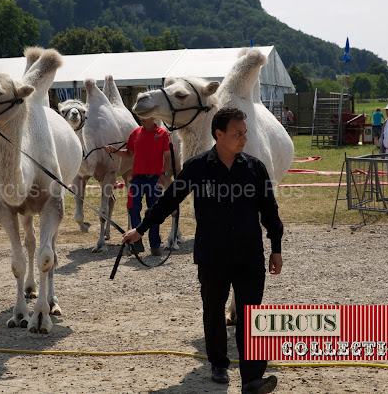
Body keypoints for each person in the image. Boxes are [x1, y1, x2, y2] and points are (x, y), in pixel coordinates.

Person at [122, 107, 283, 393]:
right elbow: (169, 201)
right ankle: (219, 363)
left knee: (251, 314)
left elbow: (270, 211)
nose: (244, 138)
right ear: (219, 135)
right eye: (238, 134)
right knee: (213, 310)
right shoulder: (197, 167)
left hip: (250, 255)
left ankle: (252, 379)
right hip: (213, 255)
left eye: (245, 133)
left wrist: (276, 248)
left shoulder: (255, 168)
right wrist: (141, 229)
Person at [104, 116, 171, 256]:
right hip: (137, 179)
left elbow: (168, 156)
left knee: (153, 212)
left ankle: (155, 244)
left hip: (155, 180)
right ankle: (137, 242)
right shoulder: (135, 133)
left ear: (153, 117)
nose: (141, 119)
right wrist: (114, 150)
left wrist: (164, 175)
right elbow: (129, 153)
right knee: (133, 209)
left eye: (144, 116)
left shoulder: (163, 134)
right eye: (140, 116)